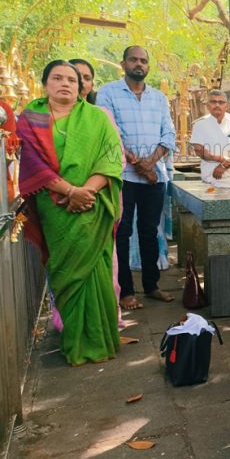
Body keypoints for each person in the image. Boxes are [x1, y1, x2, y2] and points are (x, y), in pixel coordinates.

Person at [17, 60, 123, 365]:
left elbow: (111, 158)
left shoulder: (97, 118)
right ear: (45, 83)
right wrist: (69, 191)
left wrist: (86, 190)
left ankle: (101, 342)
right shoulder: (32, 118)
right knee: (67, 274)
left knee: (97, 273)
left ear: (81, 88)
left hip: (93, 205)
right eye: (57, 78)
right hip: (57, 207)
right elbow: (33, 164)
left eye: (72, 80)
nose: (65, 84)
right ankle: (77, 343)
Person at [97, 46, 177, 310]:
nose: (139, 64)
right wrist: (139, 165)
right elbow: (110, 133)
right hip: (122, 175)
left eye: (144, 60)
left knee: (149, 230)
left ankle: (152, 286)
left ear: (148, 67)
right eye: (134, 59)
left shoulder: (159, 98)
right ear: (123, 64)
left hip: (155, 176)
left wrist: (151, 163)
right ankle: (126, 291)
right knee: (122, 231)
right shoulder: (108, 93)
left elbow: (169, 134)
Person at [190, 89, 230, 189]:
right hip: (211, 179)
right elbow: (199, 151)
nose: (217, 105)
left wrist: (223, 165)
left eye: (221, 102)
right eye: (213, 102)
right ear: (208, 106)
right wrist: (222, 159)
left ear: (227, 106)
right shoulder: (200, 125)